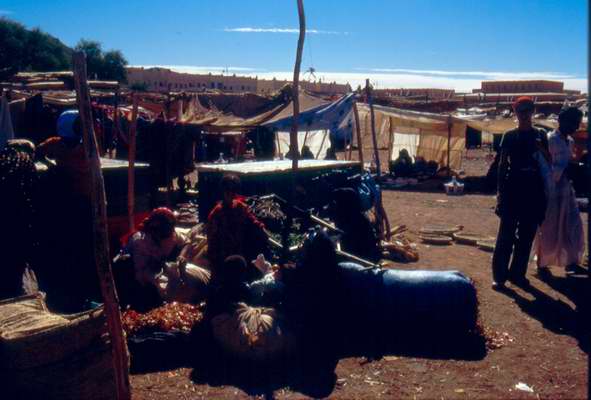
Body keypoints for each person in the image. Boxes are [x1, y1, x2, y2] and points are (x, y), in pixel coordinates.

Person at [491, 97, 548, 289]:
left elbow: (547, 164)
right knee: (506, 235)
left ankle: (517, 274)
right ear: (515, 113)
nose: (524, 114)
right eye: (520, 111)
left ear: (532, 111)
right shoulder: (509, 136)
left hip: (533, 191)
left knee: (526, 236)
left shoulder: (540, 135)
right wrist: (500, 194)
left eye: (527, 110)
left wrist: (542, 150)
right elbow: (502, 165)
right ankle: (499, 277)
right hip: (512, 190)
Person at [534, 107, 585, 275]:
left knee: (572, 225)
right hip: (551, 192)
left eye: (577, 124)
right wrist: (564, 170)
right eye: (573, 123)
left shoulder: (569, 141)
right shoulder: (550, 140)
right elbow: (544, 166)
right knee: (549, 228)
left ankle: (571, 261)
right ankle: (542, 263)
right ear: (562, 121)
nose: (576, 127)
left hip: (566, 191)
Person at [206, 174, 269, 282]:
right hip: (223, 255)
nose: (230, 194)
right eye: (227, 190)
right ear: (223, 191)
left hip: (239, 252)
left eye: (233, 191)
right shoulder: (216, 214)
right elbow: (211, 241)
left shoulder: (240, 207)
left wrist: (261, 228)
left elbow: (252, 219)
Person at [330, 187, 381, 263]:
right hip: (365, 253)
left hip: (361, 257)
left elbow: (346, 236)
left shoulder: (353, 218)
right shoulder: (358, 215)